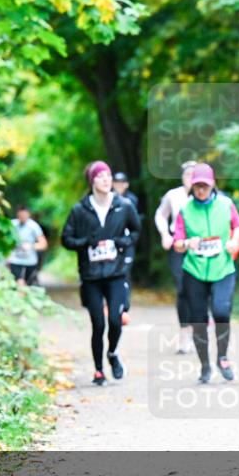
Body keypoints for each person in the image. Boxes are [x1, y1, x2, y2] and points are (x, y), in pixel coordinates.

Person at [61, 161, 142, 386]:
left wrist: (121, 243)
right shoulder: (80, 209)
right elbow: (66, 239)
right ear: (92, 181)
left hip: (116, 273)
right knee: (98, 323)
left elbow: (136, 231)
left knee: (116, 320)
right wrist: (86, 242)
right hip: (91, 276)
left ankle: (113, 354)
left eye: (108, 175)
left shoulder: (123, 205)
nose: (106, 179)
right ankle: (98, 371)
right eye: (101, 176)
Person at [172, 163, 239, 383]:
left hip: (223, 268)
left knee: (222, 312)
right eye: (197, 186)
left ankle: (222, 357)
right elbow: (176, 243)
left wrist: (233, 240)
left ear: (212, 184)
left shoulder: (226, 204)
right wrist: (187, 243)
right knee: (199, 320)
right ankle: (204, 365)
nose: (201, 190)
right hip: (194, 271)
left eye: (204, 185)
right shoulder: (185, 210)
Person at [154, 161, 196, 354]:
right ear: (182, 177)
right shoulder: (173, 195)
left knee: (200, 289)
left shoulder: (206, 196)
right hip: (178, 246)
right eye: (187, 175)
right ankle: (184, 332)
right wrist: (165, 234)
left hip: (200, 247)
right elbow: (160, 215)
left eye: (194, 175)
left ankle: (198, 330)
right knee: (182, 287)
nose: (191, 179)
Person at [112, 171, 139, 324]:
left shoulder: (131, 200)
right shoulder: (107, 199)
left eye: (121, 183)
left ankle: (124, 307)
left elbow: (135, 225)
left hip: (127, 242)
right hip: (113, 244)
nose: (119, 186)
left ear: (126, 184)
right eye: (116, 182)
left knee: (125, 273)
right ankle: (112, 305)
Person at [7, 205, 48, 287]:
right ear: (18, 215)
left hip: (30, 261)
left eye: (24, 216)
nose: (23, 218)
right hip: (15, 259)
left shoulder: (34, 226)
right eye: (21, 216)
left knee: (28, 285)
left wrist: (31, 246)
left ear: (28, 215)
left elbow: (44, 244)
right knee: (19, 283)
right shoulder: (11, 225)